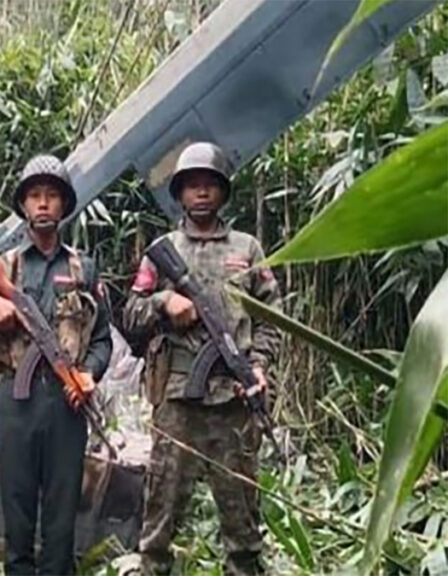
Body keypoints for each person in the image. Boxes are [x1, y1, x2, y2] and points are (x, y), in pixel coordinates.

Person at [124, 142, 281, 575]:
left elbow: (271, 317)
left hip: (233, 402)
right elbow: (130, 314)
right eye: (192, 185)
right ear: (179, 193)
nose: (201, 192)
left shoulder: (247, 249)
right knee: (160, 517)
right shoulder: (164, 250)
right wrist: (164, 303)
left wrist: (259, 366)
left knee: (242, 522)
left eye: (210, 184)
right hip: (177, 401)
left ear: (223, 191)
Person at [0, 155, 112, 575]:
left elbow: (102, 340)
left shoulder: (84, 268)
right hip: (18, 401)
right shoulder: (2, 266)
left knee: (61, 523)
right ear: (24, 205)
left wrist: (89, 374)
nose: (43, 203)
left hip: (67, 404)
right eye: (34, 196)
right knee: (18, 515)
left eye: (52, 196)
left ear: (64, 205)